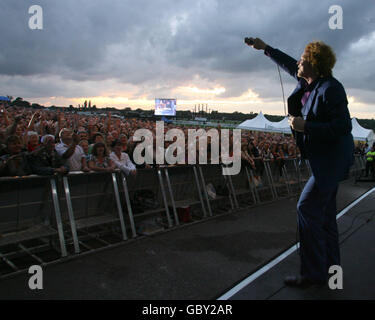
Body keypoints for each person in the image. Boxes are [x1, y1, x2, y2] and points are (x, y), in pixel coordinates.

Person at [247, 38, 354, 287]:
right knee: (325, 217)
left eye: (304, 59)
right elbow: (287, 63)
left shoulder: (330, 88)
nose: (299, 62)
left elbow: (343, 126)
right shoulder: (308, 82)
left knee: (306, 208)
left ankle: (313, 274)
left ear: (314, 64)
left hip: (331, 161)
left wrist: (307, 126)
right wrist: (266, 49)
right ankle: (330, 269)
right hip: (326, 160)